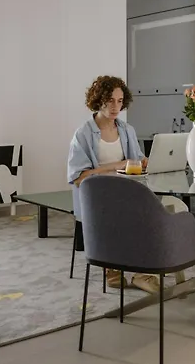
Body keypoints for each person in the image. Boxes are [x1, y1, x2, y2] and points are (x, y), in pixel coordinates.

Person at [67, 75, 160, 294]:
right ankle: (115, 267)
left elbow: (136, 160)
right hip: (97, 194)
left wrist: (147, 161)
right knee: (126, 211)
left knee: (150, 208)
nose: (115, 106)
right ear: (98, 99)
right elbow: (79, 177)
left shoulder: (127, 130)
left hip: (126, 190)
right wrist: (117, 165)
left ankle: (141, 272)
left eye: (119, 101)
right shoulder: (83, 134)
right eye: (110, 100)